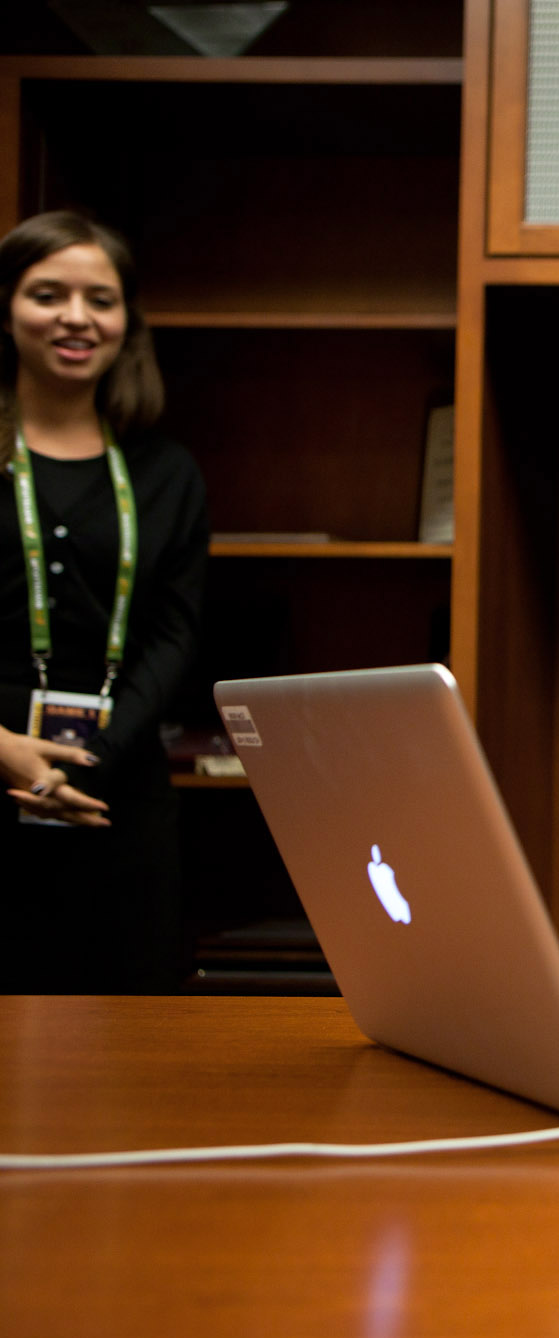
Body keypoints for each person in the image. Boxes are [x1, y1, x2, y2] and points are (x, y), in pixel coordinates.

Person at [0, 211, 208, 991]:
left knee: (131, 1042)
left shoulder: (165, 473)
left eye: (101, 298)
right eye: (48, 294)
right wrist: (6, 750)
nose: (76, 318)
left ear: (128, 322)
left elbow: (176, 633)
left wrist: (92, 757)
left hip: (119, 791)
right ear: (7, 308)